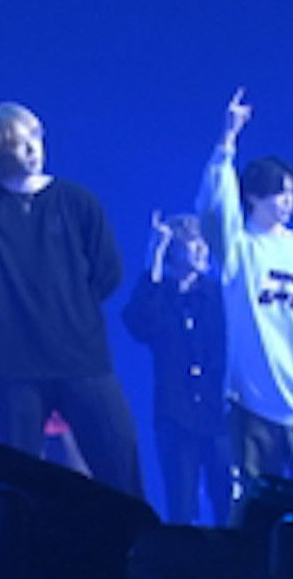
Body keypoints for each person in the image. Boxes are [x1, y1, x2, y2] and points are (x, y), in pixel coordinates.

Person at [0, 101, 142, 496]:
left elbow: (108, 271)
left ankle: (132, 536)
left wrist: (72, 311)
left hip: (82, 359)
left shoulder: (75, 200)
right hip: (17, 365)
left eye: (35, 136)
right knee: (19, 483)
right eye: (18, 142)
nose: (32, 148)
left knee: (118, 467)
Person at [194, 88, 293, 500]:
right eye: (279, 192)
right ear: (254, 196)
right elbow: (214, 208)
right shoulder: (239, 247)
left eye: (291, 192)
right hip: (253, 401)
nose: (287, 202)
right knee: (260, 503)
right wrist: (227, 140)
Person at [123, 211, 231, 525]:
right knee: (181, 504)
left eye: (202, 242)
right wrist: (154, 258)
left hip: (218, 412)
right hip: (176, 414)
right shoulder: (159, 297)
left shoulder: (218, 296)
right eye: (192, 243)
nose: (201, 250)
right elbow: (140, 324)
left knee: (228, 500)